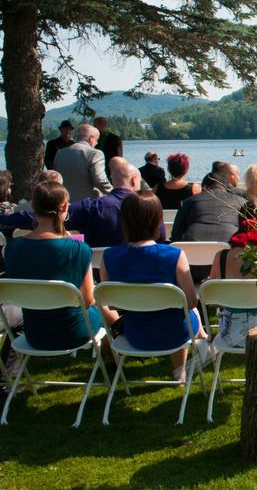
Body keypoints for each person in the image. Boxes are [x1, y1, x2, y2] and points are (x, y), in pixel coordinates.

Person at [102, 191, 208, 382]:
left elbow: (109, 303)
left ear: (124, 220)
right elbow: (191, 302)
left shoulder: (109, 256)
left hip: (135, 334)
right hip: (175, 334)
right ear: (157, 219)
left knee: (178, 312)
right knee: (189, 312)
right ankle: (181, 370)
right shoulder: (174, 254)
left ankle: (193, 350)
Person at [4, 182, 119, 350]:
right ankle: (117, 355)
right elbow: (87, 301)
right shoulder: (78, 249)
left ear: (34, 206)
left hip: (34, 334)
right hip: (74, 333)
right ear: (65, 206)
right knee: (101, 308)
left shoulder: (12, 248)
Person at [1, 159, 163, 248]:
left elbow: (46, 215)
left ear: (112, 180)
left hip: (98, 275)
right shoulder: (150, 207)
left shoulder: (92, 207)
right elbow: (160, 239)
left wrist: (5, 219)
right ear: (135, 180)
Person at [170, 172, 247, 242]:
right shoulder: (242, 202)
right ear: (226, 188)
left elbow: (175, 235)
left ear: (203, 187)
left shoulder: (187, 202)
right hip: (228, 246)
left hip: (192, 248)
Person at [54, 123, 111, 202]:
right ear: (91, 138)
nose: (97, 143)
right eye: (97, 140)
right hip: (87, 204)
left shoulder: (60, 153)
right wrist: (114, 193)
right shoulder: (95, 154)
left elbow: (56, 178)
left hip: (64, 202)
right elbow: (100, 180)